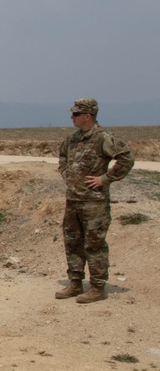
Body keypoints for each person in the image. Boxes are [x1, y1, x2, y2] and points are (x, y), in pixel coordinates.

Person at [55, 98, 135, 303]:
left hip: (94, 202)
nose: (71, 118)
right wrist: (66, 174)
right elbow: (62, 156)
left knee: (94, 243)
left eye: (75, 114)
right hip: (73, 200)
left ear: (87, 116)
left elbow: (126, 158)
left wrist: (105, 179)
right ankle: (75, 283)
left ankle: (98, 287)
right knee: (73, 242)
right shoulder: (72, 139)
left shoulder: (103, 138)